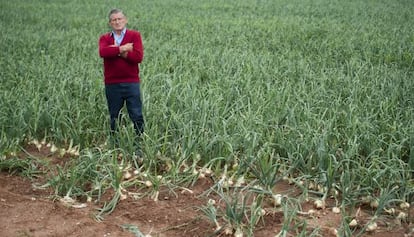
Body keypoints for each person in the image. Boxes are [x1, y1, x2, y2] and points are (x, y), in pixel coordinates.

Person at [99, 8, 145, 152]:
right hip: (112, 84)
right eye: (114, 20)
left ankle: (140, 144)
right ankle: (115, 146)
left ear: (125, 20)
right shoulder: (105, 38)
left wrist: (116, 51)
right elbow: (103, 52)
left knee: (136, 114)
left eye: (119, 19)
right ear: (110, 23)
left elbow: (138, 57)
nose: (117, 22)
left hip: (131, 82)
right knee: (114, 115)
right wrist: (123, 49)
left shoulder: (134, 35)